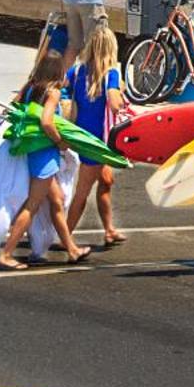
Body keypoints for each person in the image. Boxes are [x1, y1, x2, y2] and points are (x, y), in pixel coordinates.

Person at [0, 57, 92, 270]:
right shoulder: (53, 93)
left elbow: (13, 107)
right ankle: (7, 253)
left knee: (57, 201)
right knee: (33, 205)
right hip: (45, 155)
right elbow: (47, 120)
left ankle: (72, 249)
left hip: (32, 151)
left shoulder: (31, 89)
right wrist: (59, 141)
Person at [65, 21, 127, 247]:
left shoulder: (77, 70)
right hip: (98, 142)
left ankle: (109, 230)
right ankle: (65, 235)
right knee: (82, 192)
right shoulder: (111, 73)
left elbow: (62, 89)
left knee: (106, 180)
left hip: (85, 136)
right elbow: (114, 103)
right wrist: (120, 92)